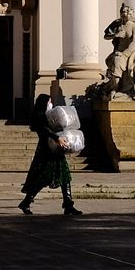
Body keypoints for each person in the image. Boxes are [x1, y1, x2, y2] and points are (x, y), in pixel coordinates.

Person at [18, 82, 80, 217]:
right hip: (46, 151)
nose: (51, 104)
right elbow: (44, 131)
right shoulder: (40, 118)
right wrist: (56, 138)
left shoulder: (49, 117)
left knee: (65, 177)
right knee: (42, 178)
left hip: (56, 151)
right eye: (49, 102)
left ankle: (68, 204)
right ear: (44, 104)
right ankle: (27, 201)